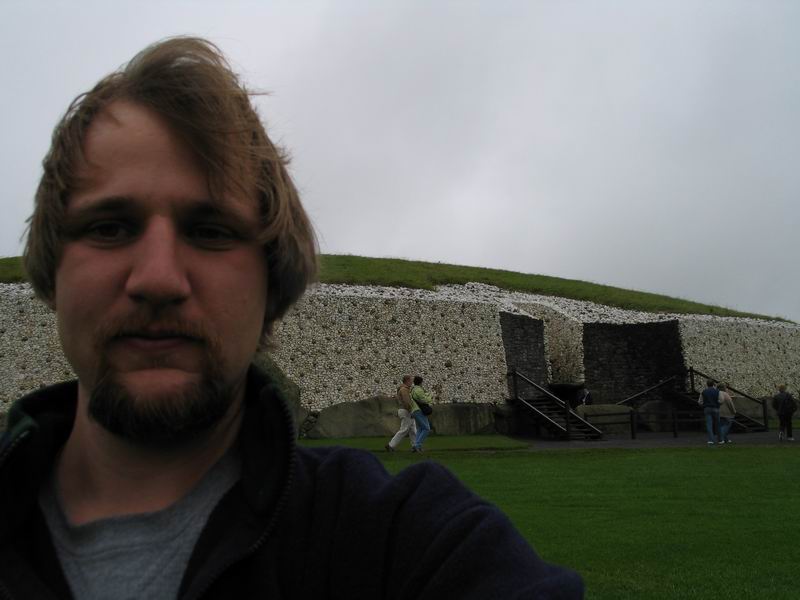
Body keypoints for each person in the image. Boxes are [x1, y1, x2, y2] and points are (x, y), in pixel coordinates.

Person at [0, 37, 583, 598]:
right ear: (52, 271)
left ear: (271, 281)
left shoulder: (397, 538)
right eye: (109, 227)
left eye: (211, 231)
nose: (157, 278)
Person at [385, 375, 417, 451]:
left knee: (413, 430)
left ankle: (415, 446)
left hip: (405, 410)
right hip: (406, 411)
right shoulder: (404, 390)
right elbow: (406, 401)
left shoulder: (404, 389)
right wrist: (411, 410)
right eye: (411, 380)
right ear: (407, 381)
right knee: (404, 429)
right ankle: (390, 445)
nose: (412, 382)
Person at [410, 375, 433, 452]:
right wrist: (430, 397)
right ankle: (417, 445)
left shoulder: (412, 390)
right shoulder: (418, 390)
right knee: (426, 428)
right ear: (420, 382)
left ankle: (415, 445)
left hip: (414, 410)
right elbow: (424, 400)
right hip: (419, 410)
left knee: (420, 428)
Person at [698, 379, 721, 445]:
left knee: (709, 424)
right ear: (713, 384)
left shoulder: (703, 392)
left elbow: (700, 402)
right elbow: (721, 400)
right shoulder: (717, 391)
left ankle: (711, 440)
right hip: (716, 408)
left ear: (707, 384)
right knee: (718, 424)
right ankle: (720, 440)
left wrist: (704, 405)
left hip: (707, 408)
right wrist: (718, 404)